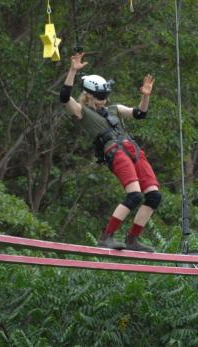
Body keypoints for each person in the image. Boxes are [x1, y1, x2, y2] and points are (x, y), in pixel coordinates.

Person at [59, 52, 161, 252]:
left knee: (154, 197)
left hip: (134, 151)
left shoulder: (114, 108)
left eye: (105, 96)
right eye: (100, 97)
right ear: (88, 95)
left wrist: (145, 96)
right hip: (115, 153)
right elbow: (64, 97)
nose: (104, 100)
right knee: (134, 196)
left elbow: (140, 114)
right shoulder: (82, 111)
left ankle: (133, 239)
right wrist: (72, 70)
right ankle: (107, 236)